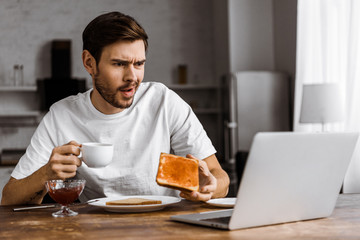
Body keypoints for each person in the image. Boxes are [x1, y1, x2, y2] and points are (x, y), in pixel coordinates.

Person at [1, 11, 229, 205]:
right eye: (119, 64)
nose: (133, 77)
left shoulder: (164, 101)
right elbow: (8, 199)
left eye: (139, 64)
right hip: (97, 229)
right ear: (89, 63)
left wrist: (211, 186)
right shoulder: (61, 115)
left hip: (165, 224)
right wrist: (46, 173)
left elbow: (220, 178)